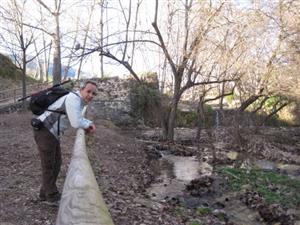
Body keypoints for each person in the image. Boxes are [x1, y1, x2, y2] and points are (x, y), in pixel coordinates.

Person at [32, 80, 97, 206]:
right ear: (81, 90)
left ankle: (44, 193)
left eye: (94, 94)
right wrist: (88, 124)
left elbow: (77, 117)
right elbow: (76, 122)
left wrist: (88, 123)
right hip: (45, 131)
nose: (91, 95)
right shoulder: (74, 99)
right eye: (88, 91)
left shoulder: (78, 101)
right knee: (49, 165)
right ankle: (51, 197)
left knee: (56, 163)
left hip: (51, 132)